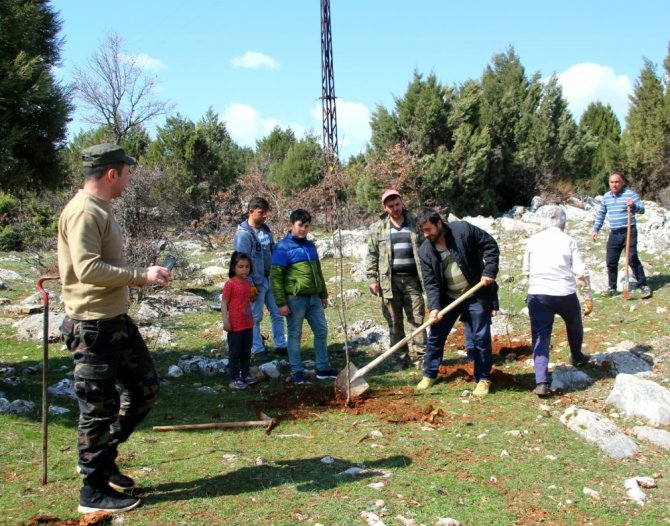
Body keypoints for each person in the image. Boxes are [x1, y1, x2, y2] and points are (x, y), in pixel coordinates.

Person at [58, 143, 171, 514]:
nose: (128, 178)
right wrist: (141, 276)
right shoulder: (84, 212)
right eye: (127, 171)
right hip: (93, 326)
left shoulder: (99, 209)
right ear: (112, 173)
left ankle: (104, 458)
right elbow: (87, 269)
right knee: (97, 409)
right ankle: (91, 492)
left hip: (114, 320)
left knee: (145, 389)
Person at [415, 208, 499, 396]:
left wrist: (489, 272)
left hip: (476, 293)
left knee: (480, 337)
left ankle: (483, 378)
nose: (426, 235)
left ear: (439, 223)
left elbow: (490, 245)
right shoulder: (425, 250)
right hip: (448, 297)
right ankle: (429, 374)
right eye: (422, 231)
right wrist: (435, 307)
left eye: (428, 229)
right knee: (436, 334)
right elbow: (431, 282)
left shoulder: (463, 230)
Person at [523, 206, 593, 397]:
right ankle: (577, 355)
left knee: (540, 335)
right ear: (564, 224)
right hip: (564, 293)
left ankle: (541, 382)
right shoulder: (569, 240)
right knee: (574, 322)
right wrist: (588, 297)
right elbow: (581, 272)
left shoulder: (533, 240)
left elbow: (526, 269)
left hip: (538, 294)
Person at [270, 209, 338, 384]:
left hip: (314, 298)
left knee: (321, 331)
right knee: (294, 334)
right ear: (291, 225)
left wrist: (323, 295)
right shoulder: (282, 247)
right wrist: (281, 303)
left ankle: (323, 368)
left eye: (307, 226)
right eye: (300, 225)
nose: (303, 229)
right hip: (295, 299)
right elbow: (276, 277)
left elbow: (318, 272)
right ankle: (297, 371)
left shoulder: (310, 246)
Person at [365, 189, 426, 367]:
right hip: (388, 283)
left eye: (397, 204)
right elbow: (371, 255)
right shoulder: (377, 228)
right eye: (391, 206)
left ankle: (423, 358)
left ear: (402, 201)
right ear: (385, 207)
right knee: (394, 322)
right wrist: (372, 279)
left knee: (417, 320)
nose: (395, 208)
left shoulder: (416, 223)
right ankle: (401, 359)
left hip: (413, 281)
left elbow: (427, 248)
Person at [233, 197, 287, 359]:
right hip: (255, 282)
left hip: (270, 278)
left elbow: (272, 250)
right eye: (261, 212)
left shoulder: (266, 230)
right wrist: (248, 284)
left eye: (265, 212)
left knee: (277, 313)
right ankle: (257, 348)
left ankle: (280, 345)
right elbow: (242, 262)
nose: (264, 216)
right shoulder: (243, 235)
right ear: (251, 212)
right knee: (255, 316)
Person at [591, 172, 651, 299]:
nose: (614, 184)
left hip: (629, 231)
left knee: (632, 258)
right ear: (609, 184)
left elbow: (642, 209)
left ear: (621, 183)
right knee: (611, 261)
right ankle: (612, 287)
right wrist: (595, 229)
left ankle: (643, 285)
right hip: (614, 233)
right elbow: (601, 214)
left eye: (617, 182)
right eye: (612, 182)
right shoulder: (606, 197)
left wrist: (633, 205)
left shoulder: (630, 194)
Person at [222, 251, 258, 390]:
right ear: (233, 268)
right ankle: (234, 378)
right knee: (235, 352)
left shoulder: (248, 283)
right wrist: (226, 321)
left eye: (247, 266)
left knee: (246, 351)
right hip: (235, 324)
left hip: (247, 322)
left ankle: (246, 374)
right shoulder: (230, 284)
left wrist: (253, 295)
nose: (244, 269)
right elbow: (224, 303)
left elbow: (249, 300)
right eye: (241, 266)